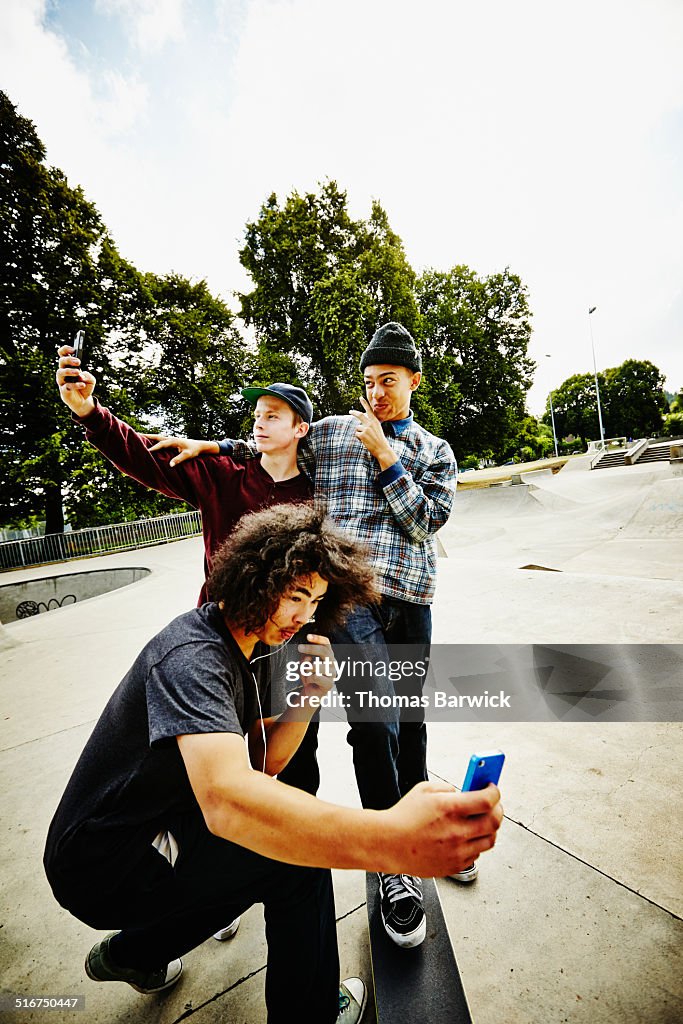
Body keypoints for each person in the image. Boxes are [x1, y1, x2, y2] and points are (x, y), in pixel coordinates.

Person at [43, 505, 504, 1024]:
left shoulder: (243, 647)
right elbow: (228, 802)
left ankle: (131, 954)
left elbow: (266, 764)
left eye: (317, 602)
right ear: (254, 579)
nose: (303, 617)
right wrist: (391, 839)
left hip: (155, 831)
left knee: (264, 850)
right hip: (104, 864)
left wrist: (309, 695)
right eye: (295, 596)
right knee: (292, 859)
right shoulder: (193, 656)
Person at [150, 322, 460, 949]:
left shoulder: (435, 452)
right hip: (357, 606)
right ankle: (391, 865)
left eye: (389, 382)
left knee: (411, 719)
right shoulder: (336, 434)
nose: (376, 394)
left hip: (414, 602)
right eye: (369, 382)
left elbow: (425, 522)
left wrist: (388, 456)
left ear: (414, 383)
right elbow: (272, 440)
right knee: (377, 725)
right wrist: (212, 445)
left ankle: (421, 819)